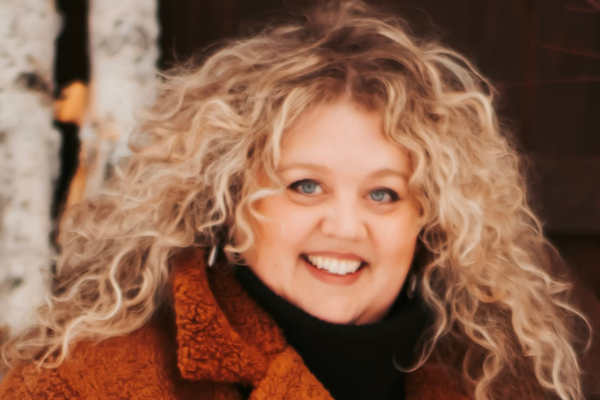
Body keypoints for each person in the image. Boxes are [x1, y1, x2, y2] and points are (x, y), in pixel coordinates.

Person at [0, 1, 590, 399]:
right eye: (306, 186)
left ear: (429, 220)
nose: (346, 226)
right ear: (228, 201)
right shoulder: (88, 385)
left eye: (383, 193)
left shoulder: (484, 385)